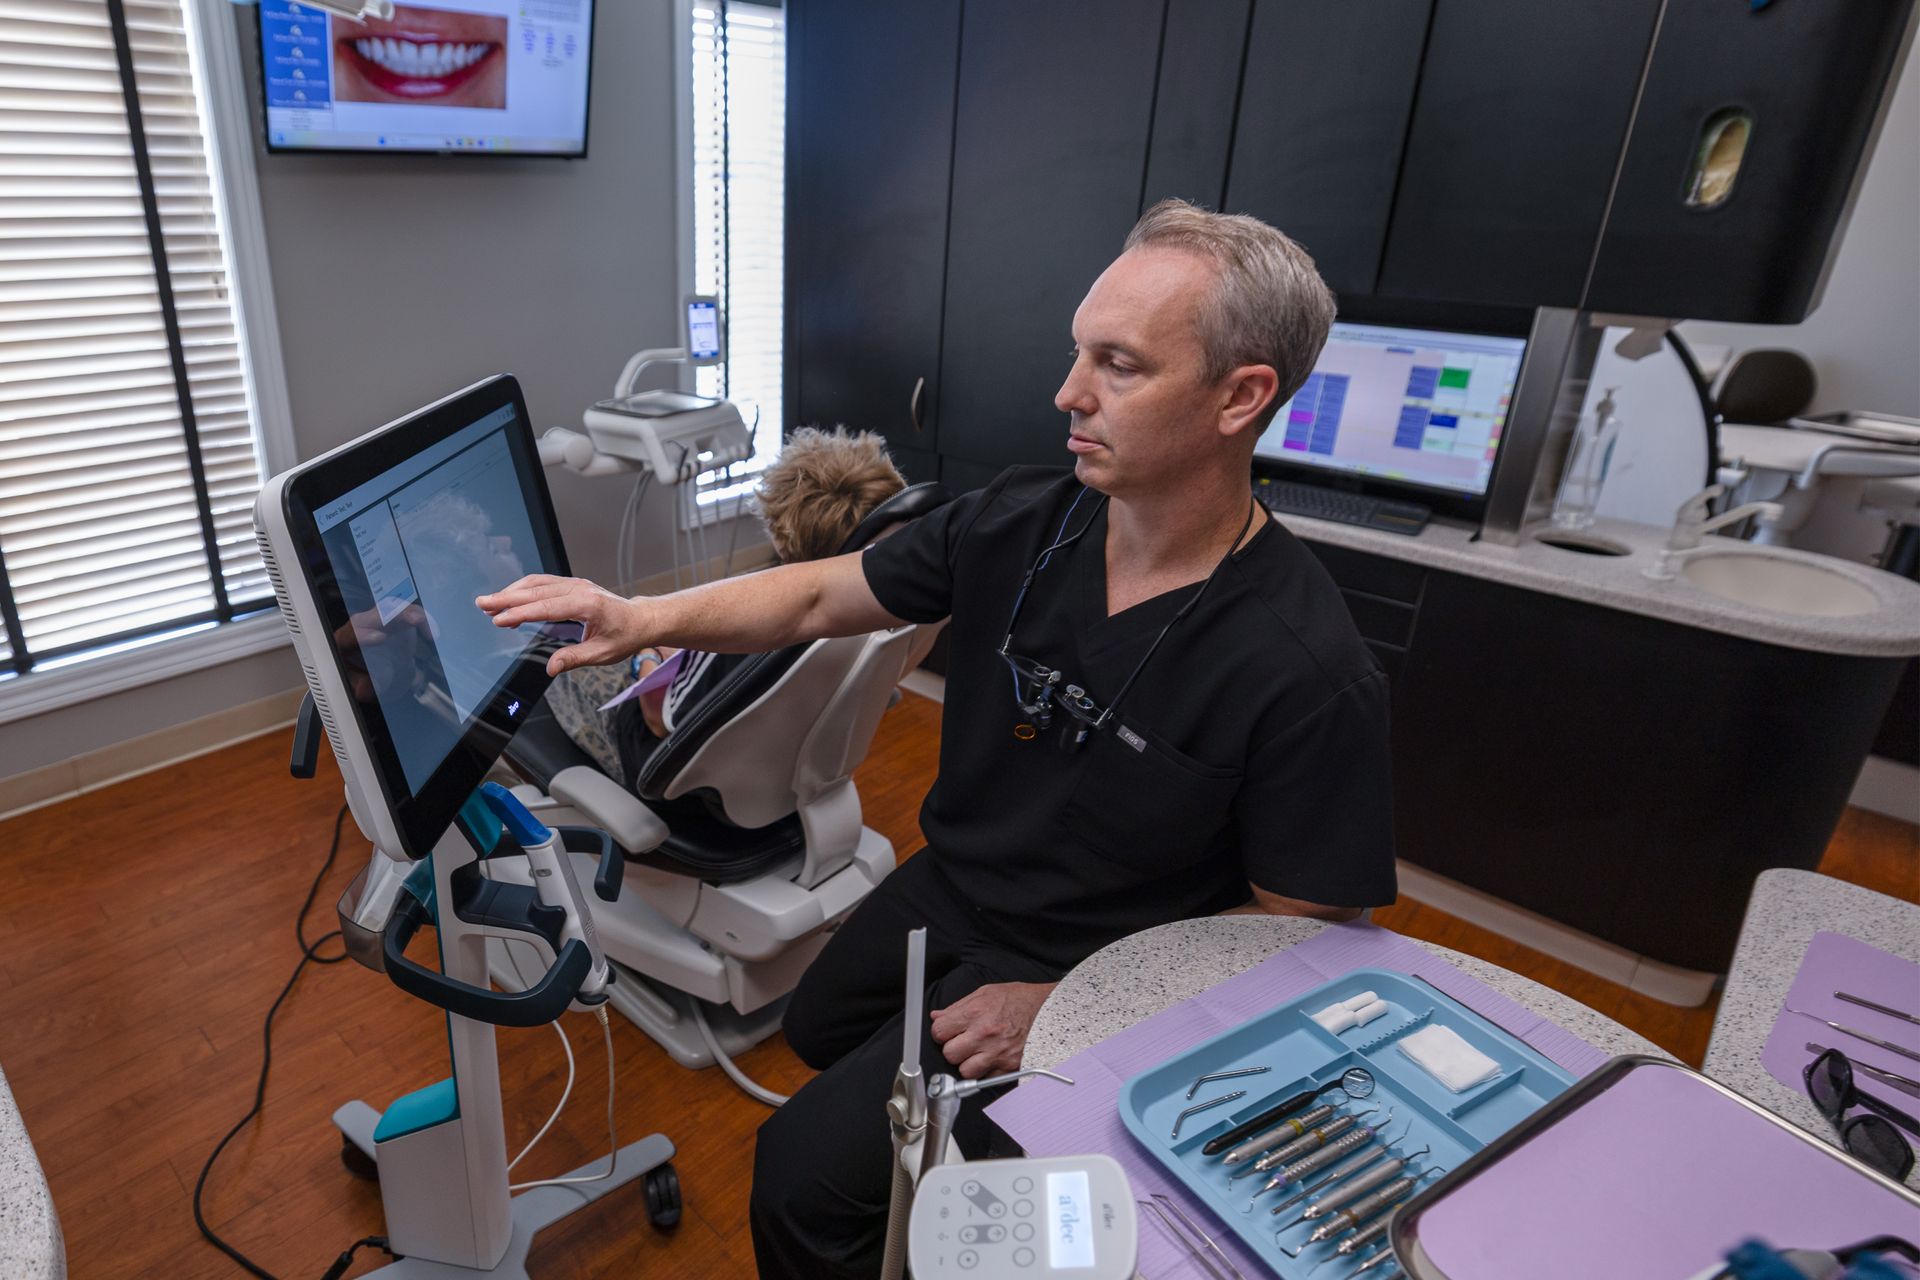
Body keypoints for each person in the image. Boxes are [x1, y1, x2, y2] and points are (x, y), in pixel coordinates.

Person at [477, 199, 1397, 1278]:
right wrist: (639, 616)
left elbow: (1306, 924)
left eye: (1119, 364)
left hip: (1095, 957)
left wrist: (1068, 1006)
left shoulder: (1305, 664)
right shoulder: (1023, 518)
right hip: (960, 885)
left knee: (799, 1179)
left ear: (1241, 396)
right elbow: (822, 592)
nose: (1068, 392)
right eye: (1075, 352)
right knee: (816, 1026)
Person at [540, 426, 909, 791]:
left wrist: (647, 652)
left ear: (783, 533)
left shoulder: (755, 634)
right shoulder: (884, 615)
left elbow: (656, 719)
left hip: (677, 776)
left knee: (554, 656)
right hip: (784, 767)